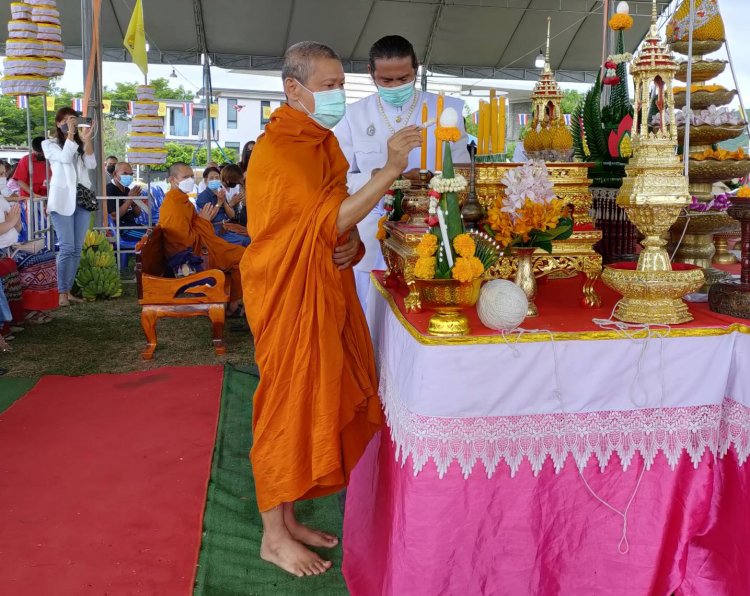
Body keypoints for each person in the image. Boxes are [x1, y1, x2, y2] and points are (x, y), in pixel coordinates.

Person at [241, 41, 421, 577]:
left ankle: (288, 517)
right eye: (328, 86)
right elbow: (321, 221)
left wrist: (353, 247)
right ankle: (273, 537)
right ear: (293, 89)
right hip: (285, 290)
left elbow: (330, 224)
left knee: (308, 398)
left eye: (343, 84)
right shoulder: (282, 150)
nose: (339, 95)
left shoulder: (320, 142)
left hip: (321, 278)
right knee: (283, 404)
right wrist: (389, 169)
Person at [336, 35, 470, 309]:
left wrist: (429, 179)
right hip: (372, 230)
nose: (395, 86)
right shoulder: (352, 115)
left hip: (432, 231)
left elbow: (463, 172)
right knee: (369, 310)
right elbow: (341, 178)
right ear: (370, 73)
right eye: (386, 81)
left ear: (416, 69)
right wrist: (379, 176)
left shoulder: (447, 110)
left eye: (403, 78)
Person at [159, 162, 245, 316]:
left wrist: (204, 221)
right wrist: (205, 221)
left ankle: (233, 304)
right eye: (185, 177)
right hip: (193, 256)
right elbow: (184, 241)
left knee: (241, 254)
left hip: (204, 246)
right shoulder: (173, 204)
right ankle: (233, 306)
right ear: (172, 180)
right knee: (241, 258)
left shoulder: (182, 200)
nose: (190, 180)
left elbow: (193, 228)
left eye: (192, 176)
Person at [42, 107, 97, 307]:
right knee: (66, 247)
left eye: (73, 119)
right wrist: (72, 135)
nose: (70, 124)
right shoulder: (48, 143)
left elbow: (91, 164)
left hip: (81, 200)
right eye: (65, 121)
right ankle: (61, 292)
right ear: (58, 124)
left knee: (76, 248)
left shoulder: (79, 143)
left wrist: (87, 138)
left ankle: (67, 289)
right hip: (61, 200)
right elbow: (64, 158)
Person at [195, 166, 249, 247]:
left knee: (250, 236)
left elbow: (231, 215)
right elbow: (208, 218)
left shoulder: (221, 193)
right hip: (215, 229)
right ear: (206, 181)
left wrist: (224, 201)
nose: (214, 180)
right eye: (211, 178)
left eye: (217, 178)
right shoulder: (203, 197)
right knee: (245, 241)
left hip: (227, 226)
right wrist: (219, 203)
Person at [106, 162, 146, 242]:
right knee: (152, 237)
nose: (128, 176)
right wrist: (130, 199)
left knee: (157, 232)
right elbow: (114, 216)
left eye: (131, 174)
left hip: (132, 226)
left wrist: (135, 202)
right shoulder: (109, 189)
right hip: (121, 230)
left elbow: (137, 214)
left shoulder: (127, 190)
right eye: (125, 173)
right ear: (115, 173)